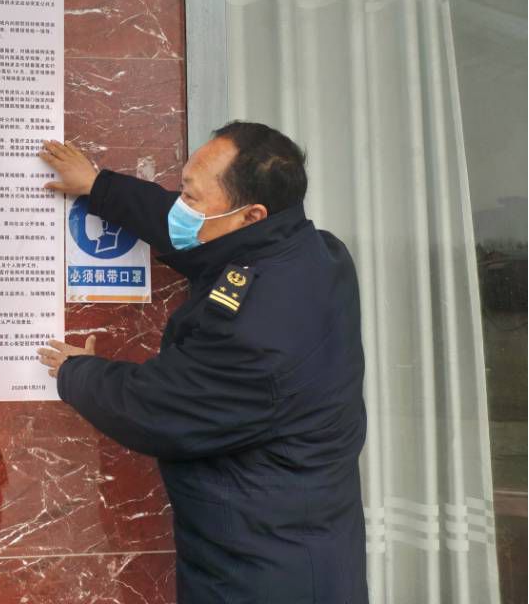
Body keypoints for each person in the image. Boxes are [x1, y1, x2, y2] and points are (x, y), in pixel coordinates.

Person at [36, 121, 368, 604]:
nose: (181, 207)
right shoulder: (311, 252)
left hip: (264, 573)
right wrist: (99, 187)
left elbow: (157, 409)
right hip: (303, 544)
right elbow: (199, 235)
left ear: (251, 214)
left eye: (191, 197)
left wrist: (77, 372)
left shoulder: (258, 328)